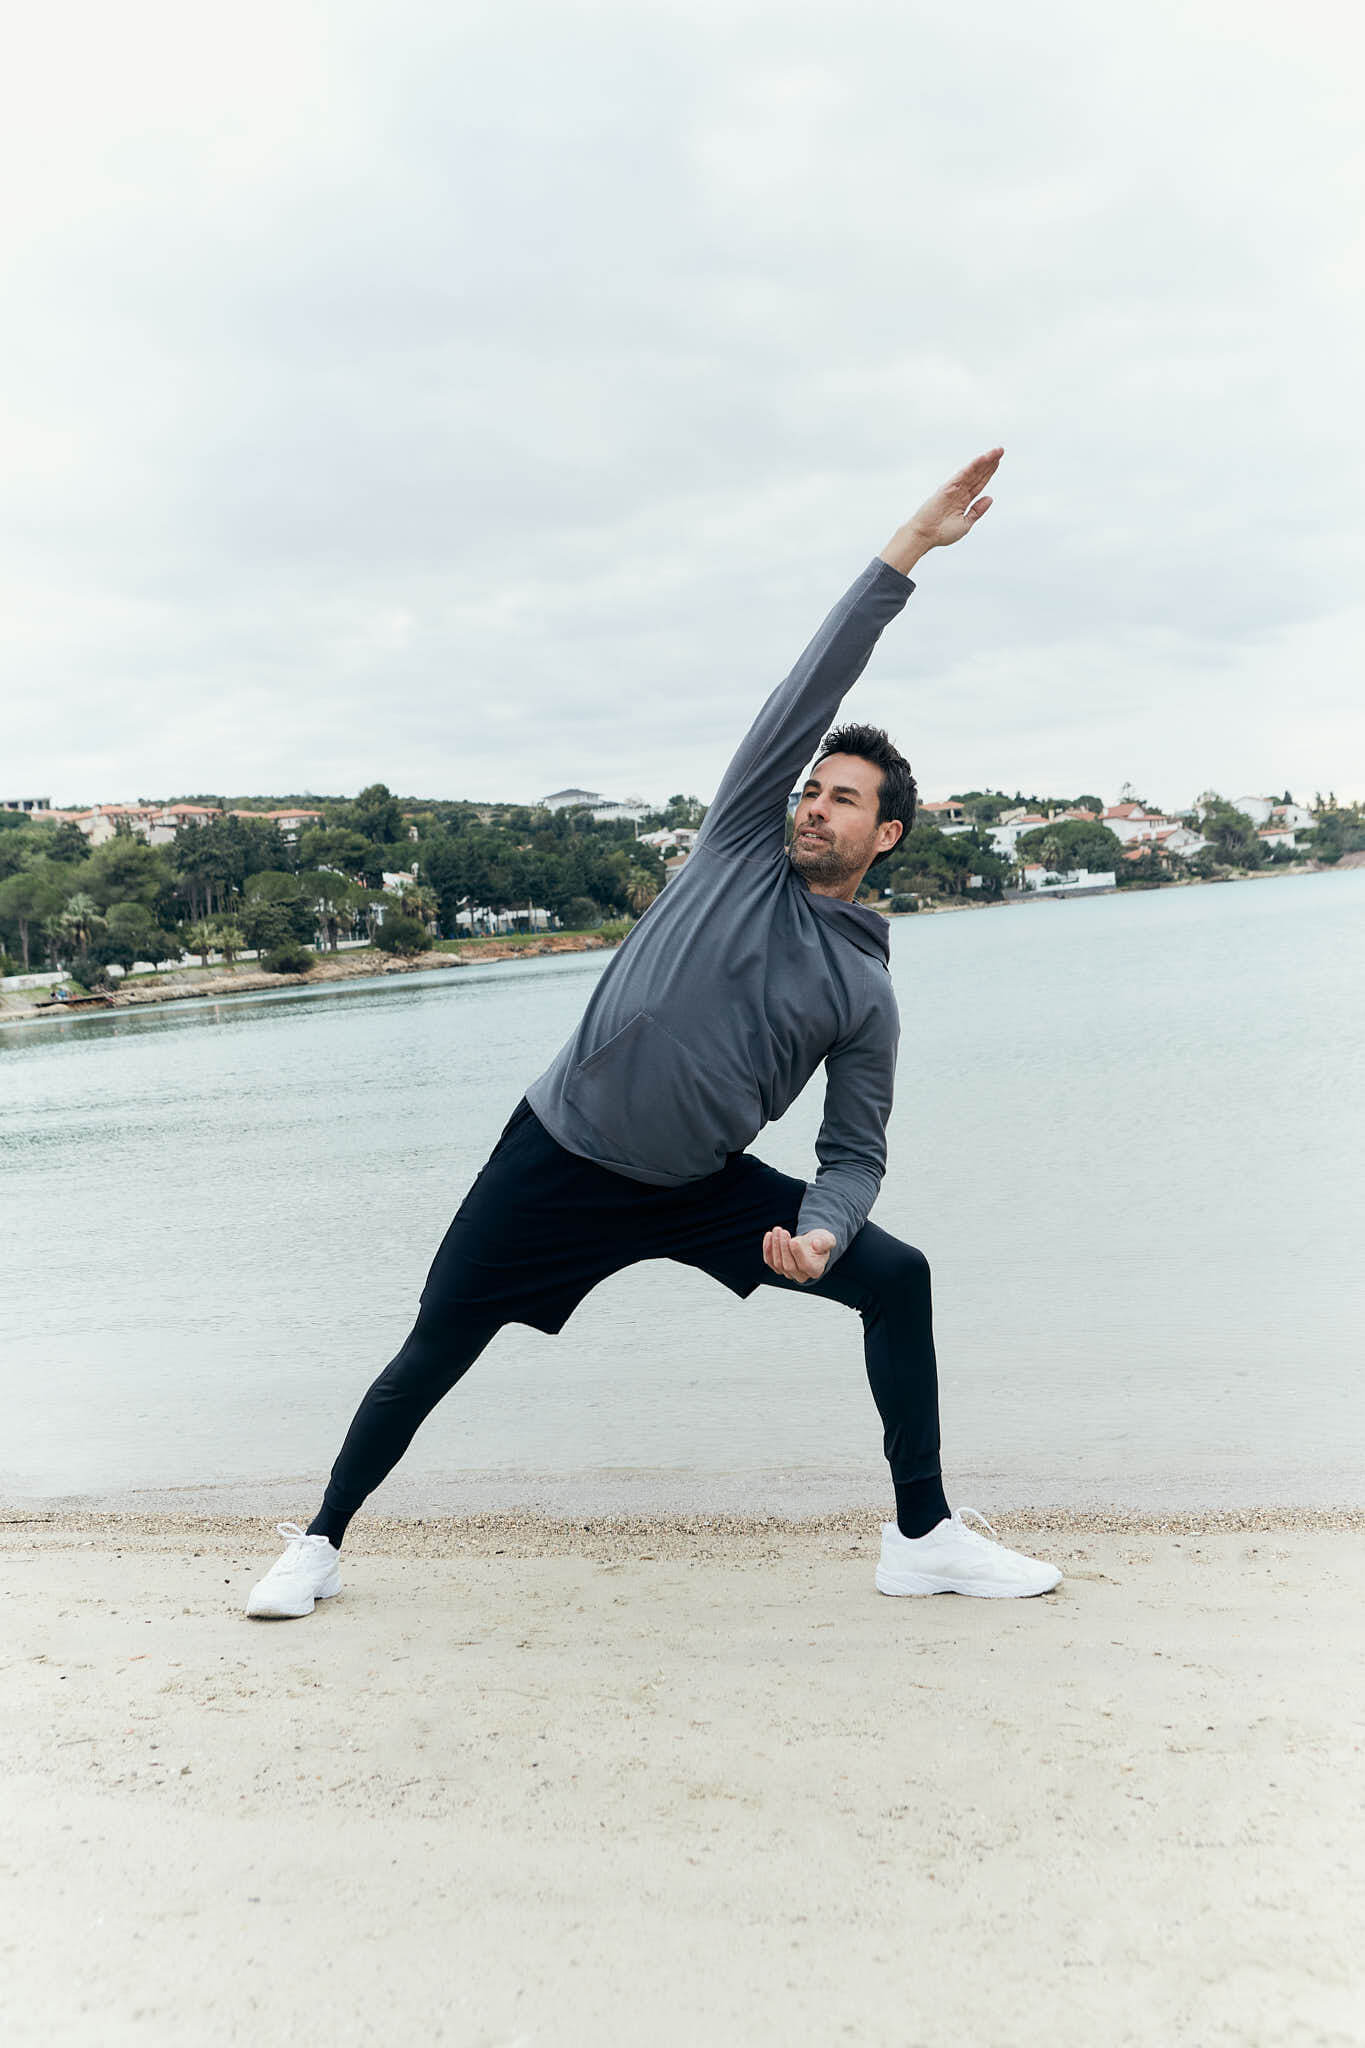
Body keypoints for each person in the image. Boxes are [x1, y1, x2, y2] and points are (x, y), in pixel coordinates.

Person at [247, 448, 1061, 1619]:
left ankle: (924, 1533)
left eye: (843, 797)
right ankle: (319, 1540)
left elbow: (854, 1154)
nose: (815, 803)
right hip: (557, 1153)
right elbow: (810, 682)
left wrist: (823, 1236)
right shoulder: (735, 844)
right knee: (436, 1345)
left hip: (696, 1186)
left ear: (886, 836)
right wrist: (910, 549)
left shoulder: (865, 991)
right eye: (814, 786)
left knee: (899, 1277)